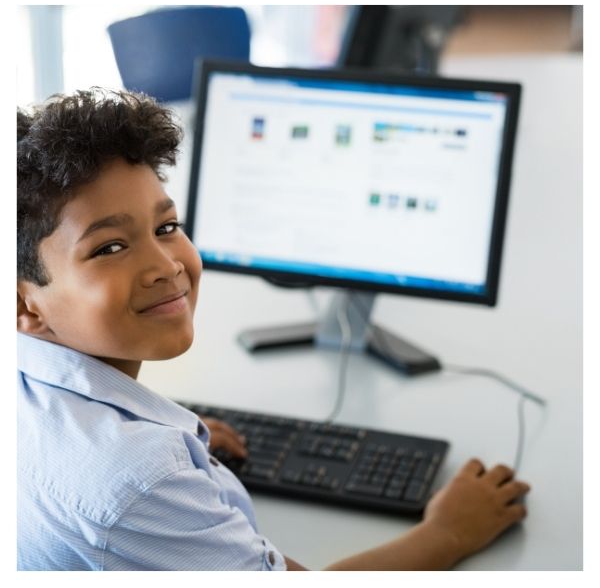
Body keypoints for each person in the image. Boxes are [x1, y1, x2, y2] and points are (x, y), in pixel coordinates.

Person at [17, 88, 530, 571]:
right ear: (25, 303)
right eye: (109, 248)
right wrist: (450, 532)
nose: (166, 267)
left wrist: (175, 436)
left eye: (166, 228)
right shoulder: (141, 481)